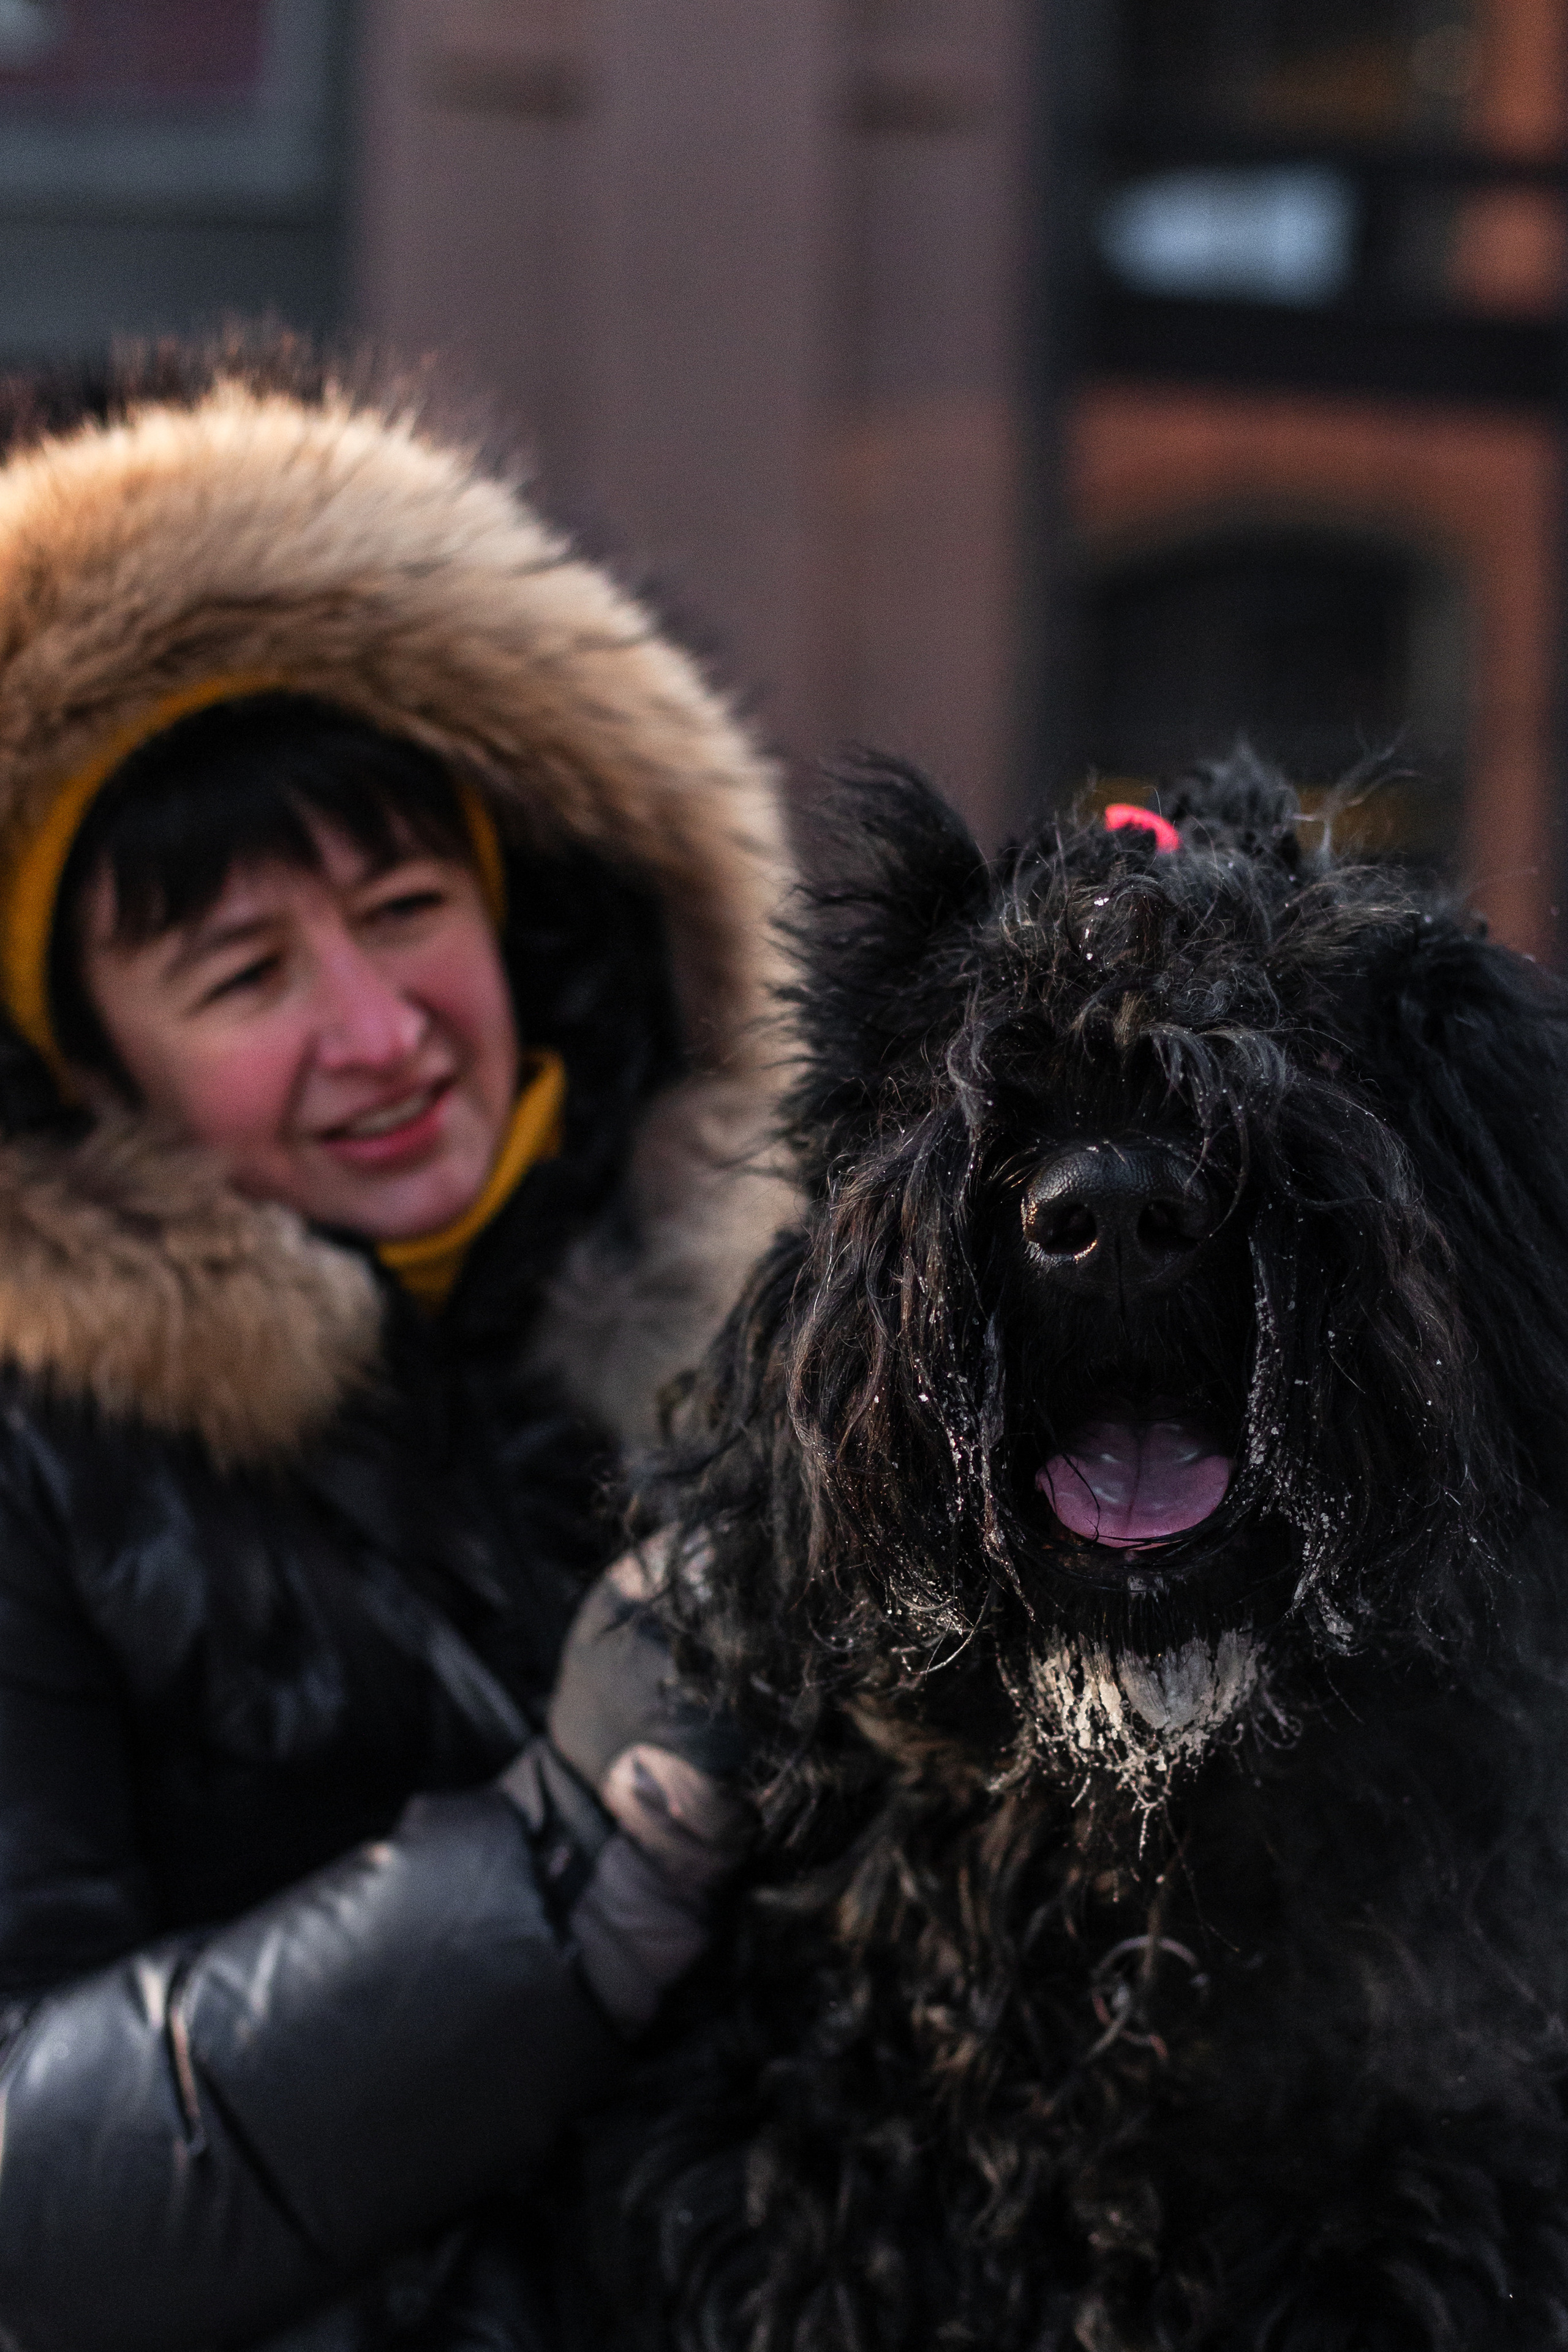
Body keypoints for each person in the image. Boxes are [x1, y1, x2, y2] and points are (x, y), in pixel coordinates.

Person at [0, 352, 792, 2351]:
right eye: (243, 973)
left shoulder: (780, 1343)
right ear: (83, 1065)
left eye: (406, 902)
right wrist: (552, 1884)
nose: (376, 1030)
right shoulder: (34, 1454)